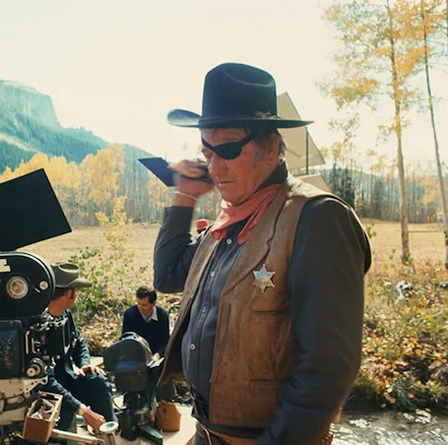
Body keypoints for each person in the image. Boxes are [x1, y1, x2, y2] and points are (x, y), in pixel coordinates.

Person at [154, 63, 371, 445]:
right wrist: (184, 196)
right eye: (207, 152)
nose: (215, 167)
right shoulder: (228, 220)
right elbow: (168, 275)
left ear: (269, 146)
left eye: (228, 150)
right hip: (207, 433)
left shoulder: (316, 217)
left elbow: (327, 368)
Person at [41, 262, 115, 433]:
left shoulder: (65, 316)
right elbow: (46, 381)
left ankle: (108, 433)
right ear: (70, 293)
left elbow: (79, 341)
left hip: (68, 380)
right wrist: (84, 411)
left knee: (98, 381)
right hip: (51, 392)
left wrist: (84, 363)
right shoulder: (39, 326)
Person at [121, 285, 170, 361]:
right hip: (135, 355)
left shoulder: (162, 315)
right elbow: (125, 339)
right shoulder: (130, 314)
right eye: (138, 304)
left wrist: (158, 355)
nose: (140, 307)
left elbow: (164, 340)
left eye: (144, 305)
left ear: (153, 304)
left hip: (156, 355)